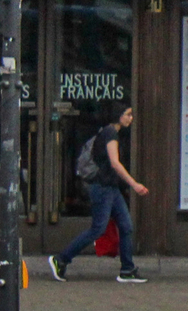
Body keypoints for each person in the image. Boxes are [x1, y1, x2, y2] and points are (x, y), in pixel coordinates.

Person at [50, 102, 148, 283]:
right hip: (102, 188)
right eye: (128, 114)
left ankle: (127, 269)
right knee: (98, 229)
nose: (130, 118)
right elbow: (114, 163)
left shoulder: (109, 132)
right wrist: (134, 184)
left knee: (126, 226)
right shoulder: (110, 133)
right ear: (119, 116)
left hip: (110, 188)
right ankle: (61, 259)